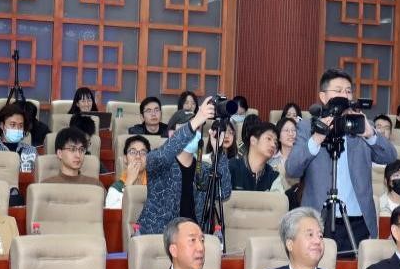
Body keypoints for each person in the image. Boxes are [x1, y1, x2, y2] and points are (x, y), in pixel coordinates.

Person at [285, 69, 396, 254]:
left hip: (358, 219)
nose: (344, 96)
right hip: (318, 220)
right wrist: (317, 138)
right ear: (323, 96)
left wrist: (370, 135)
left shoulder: (360, 124)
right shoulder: (307, 126)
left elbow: (390, 157)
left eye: (348, 91)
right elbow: (292, 169)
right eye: (338, 90)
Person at [134, 98, 231, 235]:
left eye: (198, 128)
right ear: (171, 134)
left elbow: (224, 192)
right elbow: (165, 154)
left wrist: (218, 152)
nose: (194, 131)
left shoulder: (201, 169)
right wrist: (196, 120)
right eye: (188, 126)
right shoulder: (156, 160)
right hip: (158, 237)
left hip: (192, 238)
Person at [0, 102, 39, 174]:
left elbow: (37, 177)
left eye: (20, 125)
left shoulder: (32, 151)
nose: (17, 129)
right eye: (12, 125)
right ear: (2, 126)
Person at [229, 121, 278, 191]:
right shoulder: (231, 167)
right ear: (253, 140)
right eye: (268, 139)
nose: (273, 145)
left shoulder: (273, 176)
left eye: (275, 142)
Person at [107, 135, 148, 209]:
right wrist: (129, 182)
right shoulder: (115, 189)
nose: (138, 157)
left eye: (143, 153)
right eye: (133, 152)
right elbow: (115, 214)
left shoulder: (156, 185)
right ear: (125, 158)